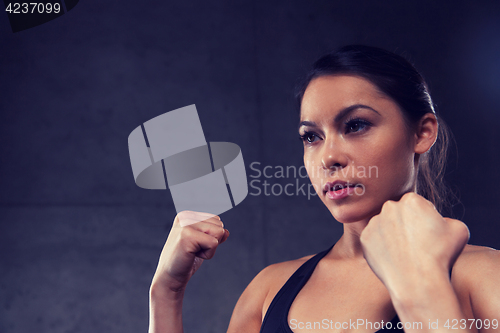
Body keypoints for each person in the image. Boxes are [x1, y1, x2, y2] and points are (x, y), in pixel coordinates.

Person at [147, 45, 500, 333]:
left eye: (356, 125)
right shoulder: (269, 290)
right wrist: (167, 293)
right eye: (311, 137)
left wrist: (421, 286)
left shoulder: (485, 276)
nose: (328, 156)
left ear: (422, 132)